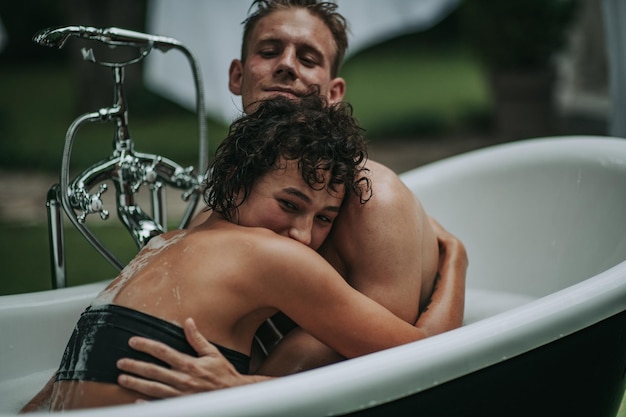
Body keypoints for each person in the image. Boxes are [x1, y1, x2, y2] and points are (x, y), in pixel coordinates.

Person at [112, 0, 468, 393]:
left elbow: (397, 362)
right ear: (236, 75)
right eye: (269, 51)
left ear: (334, 93)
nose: (286, 65)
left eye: (308, 57)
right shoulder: (228, 197)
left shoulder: (371, 196)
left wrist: (243, 391)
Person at [21, 95, 460, 411]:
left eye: (324, 217)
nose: (302, 236)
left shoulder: (162, 244)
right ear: (234, 185)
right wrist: (455, 261)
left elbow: (54, 392)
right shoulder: (273, 257)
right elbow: (423, 355)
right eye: (289, 204)